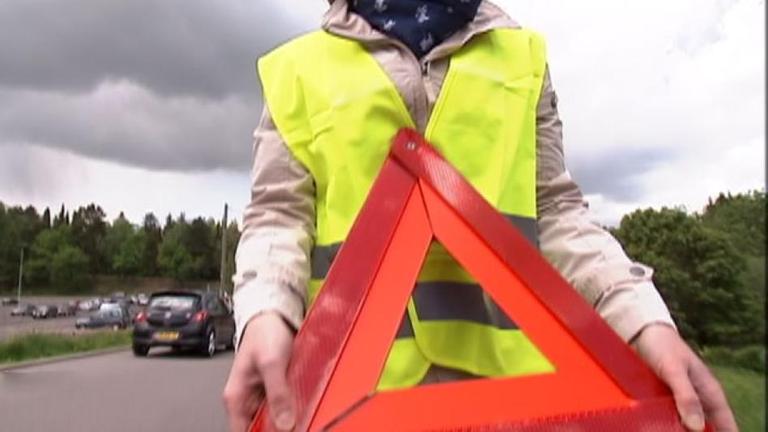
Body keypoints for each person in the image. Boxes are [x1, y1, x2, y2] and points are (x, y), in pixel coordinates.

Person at [223, 1, 737, 431]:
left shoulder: (522, 58)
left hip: (518, 400)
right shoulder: (297, 70)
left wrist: (641, 321)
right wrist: (265, 313)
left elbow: (556, 210)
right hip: (348, 399)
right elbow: (277, 215)